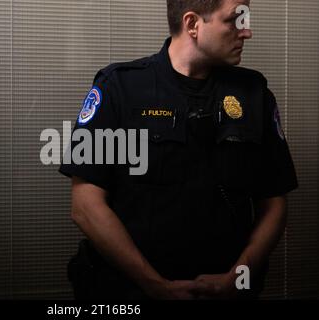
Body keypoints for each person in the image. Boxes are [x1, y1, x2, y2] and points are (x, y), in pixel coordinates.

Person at [59, 0, 298, 300]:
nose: (246, 31)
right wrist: (154, 286)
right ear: (193, 24)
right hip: (127, 293)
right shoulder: (118, 88)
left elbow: (274, 203)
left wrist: (239, 275)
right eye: (235, 20)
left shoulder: (253, 93)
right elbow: (85, 206)